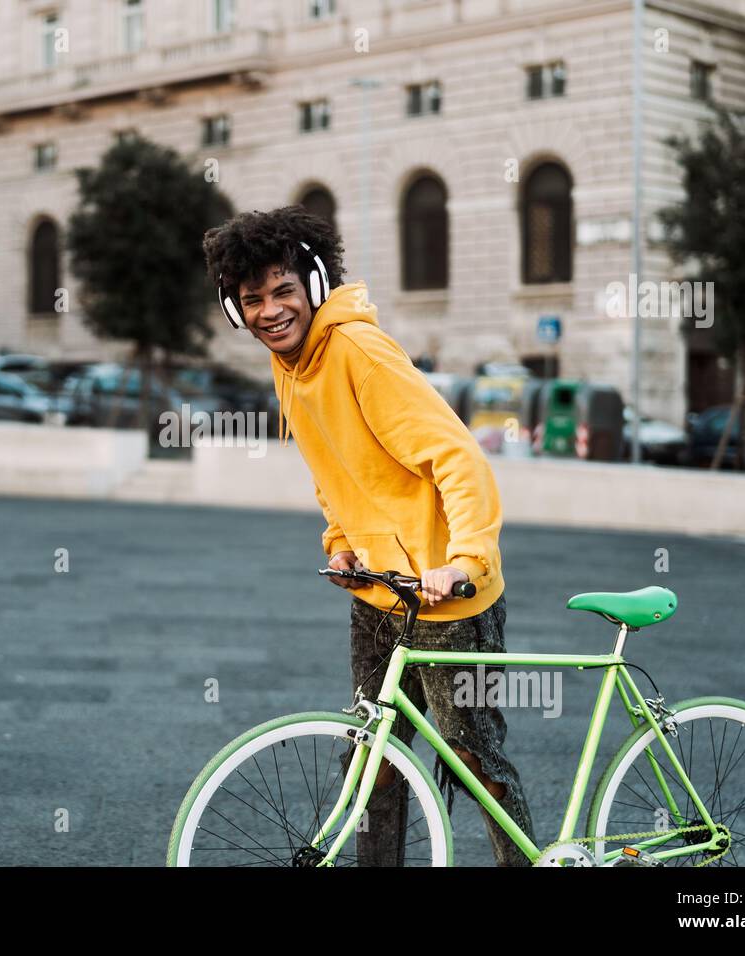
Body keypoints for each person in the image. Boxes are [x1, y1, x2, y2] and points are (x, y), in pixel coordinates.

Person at [201, 206, 538, 866]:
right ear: (237, 312)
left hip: (448, 597)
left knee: (471, 758)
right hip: (382, 594)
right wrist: (341, 541)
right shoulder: (290, 365)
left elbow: (457, 457)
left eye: (282, 290)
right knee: (373, 758)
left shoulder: (357, 350)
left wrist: (466, 559)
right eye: (253, 300)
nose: (270, 310)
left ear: (315, 285)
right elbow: (333, 468)